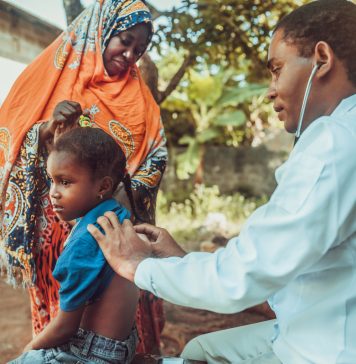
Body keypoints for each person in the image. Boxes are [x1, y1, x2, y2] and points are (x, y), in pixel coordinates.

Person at [87, 1, 356, 363]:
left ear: (321, 59)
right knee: (199, 350)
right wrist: (182, 260)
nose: (270, 90)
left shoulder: (335, 143)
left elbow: (246, 276)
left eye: (277, 70)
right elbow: (286, 266)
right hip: (317, 322)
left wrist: (139, 266)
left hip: (327, 349)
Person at [0, 0, 167, 354]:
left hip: (110, 228)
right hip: (54, 231)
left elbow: (155, 155)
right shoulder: (53, 77)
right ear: (101, 31)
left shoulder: (140, 98)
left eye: (139, 49)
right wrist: (47, 129)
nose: (130, 54)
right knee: (62, 311)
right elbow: (14, 136)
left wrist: (117, 191)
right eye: (124, 40)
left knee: (113, 322)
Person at [10, 126, 141, 363]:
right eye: (52, 181)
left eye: (65, 182)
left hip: (91, 353)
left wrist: (26, 351)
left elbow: (64, 329)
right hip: (122, 344)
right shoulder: (115, 214)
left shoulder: (83, 245)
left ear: (103, 187)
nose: (53, 193)